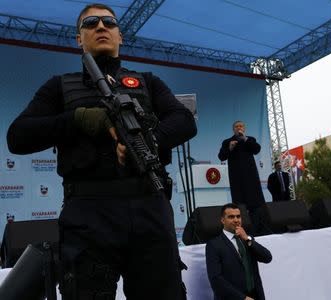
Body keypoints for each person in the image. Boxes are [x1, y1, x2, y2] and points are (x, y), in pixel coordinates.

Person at [7, 3, 197, 299]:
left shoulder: (147, 82)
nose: (100, 27)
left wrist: (149, 142)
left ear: (120, 36)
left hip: (149, 205)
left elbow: (184, 120)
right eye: (90, 22)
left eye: (109, 22)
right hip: (88, 215)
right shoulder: (59, 87)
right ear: (78, 39)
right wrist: (80, 119)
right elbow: (18, 137)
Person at [206, 203, 272, 300]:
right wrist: (242, 298)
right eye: (231, 217)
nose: (236, 220)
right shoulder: (214, 245)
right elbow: (216, 279)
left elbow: (267, 258)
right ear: (222, 220)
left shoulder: (247, 239)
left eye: (238, 216)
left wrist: (248, 239)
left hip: (255, 296)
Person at [218, 121, 268, 235]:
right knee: (240, 206)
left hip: (251, 178)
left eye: (241, 126)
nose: (239, 128)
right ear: (233, 129)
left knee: (256, 205)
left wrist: (245, 139)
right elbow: (221, 156)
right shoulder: (227, 142)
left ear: (244, 129)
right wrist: (229, 148)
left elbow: (256, 149)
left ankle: (259, 231)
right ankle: (241, 231)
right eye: (236, 126)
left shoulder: (250, 139)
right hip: (237, 179)